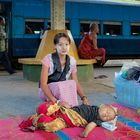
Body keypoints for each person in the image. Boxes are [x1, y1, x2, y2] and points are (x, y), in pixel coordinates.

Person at [38, 32, 89, 107]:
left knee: (71, 83)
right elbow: (43, 84)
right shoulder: (48, 59)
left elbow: (76, 82)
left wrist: (83, 97)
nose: (64, 47)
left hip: (61, 91)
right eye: (60, 44)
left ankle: (71, 109)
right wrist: (57, 102)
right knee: (61, 85)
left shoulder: (72, 61)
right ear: (55, 46)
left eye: (66, 44)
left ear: (69, 46)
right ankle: (59, 105)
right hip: (45, 92)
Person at [19, 102, 118, 138]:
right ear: (103, 106)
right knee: (46, 107)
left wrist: (85, 133)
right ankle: (42, 112)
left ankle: (36, 119)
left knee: (51, 125)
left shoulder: (97, 119)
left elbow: (91, 124)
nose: (106, 115)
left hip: (67, 120)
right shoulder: (95, 107)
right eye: (107, 112)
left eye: (108, 118)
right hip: (65, 111)